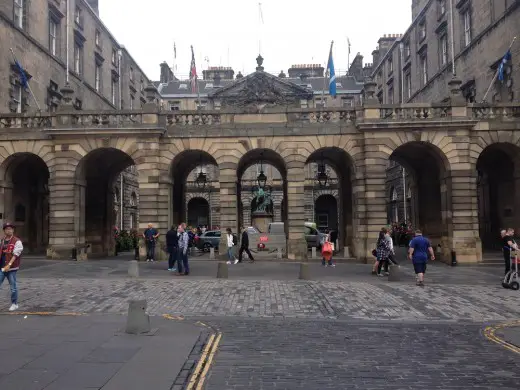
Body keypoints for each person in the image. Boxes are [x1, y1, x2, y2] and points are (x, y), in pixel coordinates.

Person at [0, 222, 23, 311]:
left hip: (11, 268)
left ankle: (14, 303)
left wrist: (9, 265)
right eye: (6, 229)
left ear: (13, 230)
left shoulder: (17, 241)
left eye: (10, 229)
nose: (8, 230)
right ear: (4, 230)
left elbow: (16, 254)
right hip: (2, 267)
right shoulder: (2, 240)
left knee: (13, 287)